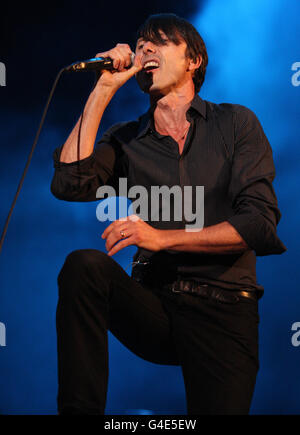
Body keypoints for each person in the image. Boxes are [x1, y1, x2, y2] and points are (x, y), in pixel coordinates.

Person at [51, 13, 286, 415]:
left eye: (158, 42)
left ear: (193, 60)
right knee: (84, 266)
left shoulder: (235, 124)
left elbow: (259, 225)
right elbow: (69, 183)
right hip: (156, 305)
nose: (145, 50)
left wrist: (162, 238)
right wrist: (103, 88)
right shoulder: (126, 139)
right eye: (140, 44)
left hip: (225, 310)